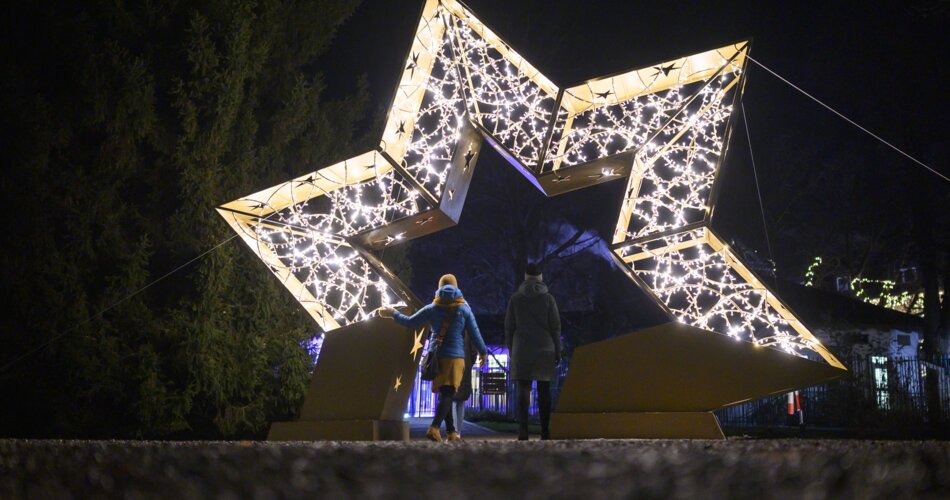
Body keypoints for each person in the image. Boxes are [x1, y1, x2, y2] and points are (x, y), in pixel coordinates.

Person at [379, 274, 487, 442]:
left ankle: (451, 433)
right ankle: (434, 427)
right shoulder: (464, 309)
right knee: (448, 394)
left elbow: (410, 322)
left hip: (437, 357)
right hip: (455, 357)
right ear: (457, 287)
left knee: (445, 393)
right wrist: (483, 351)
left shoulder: (432, 307)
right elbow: (474, 332)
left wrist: (393, 313)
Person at [505, 262, 561, 440]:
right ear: (540, 277)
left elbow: (509, 327)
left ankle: (523, 430)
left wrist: (512, 348)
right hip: (545, 348)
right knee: (544, 390)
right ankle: (545, 430)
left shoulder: (516, 298)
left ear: (525, 277)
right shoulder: (548, 299)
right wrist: (557, 350)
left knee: (523, 389)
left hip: (522, 348)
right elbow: (556, 327)